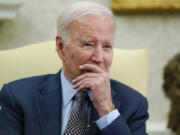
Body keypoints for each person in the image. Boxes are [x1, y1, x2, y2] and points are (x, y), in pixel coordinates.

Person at [0, 1, 149, 135]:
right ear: (61, 47)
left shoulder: (134, 104)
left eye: (107, 46)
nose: (99, 58)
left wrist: (106, 109)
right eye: (88, 44)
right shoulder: (18, 97)